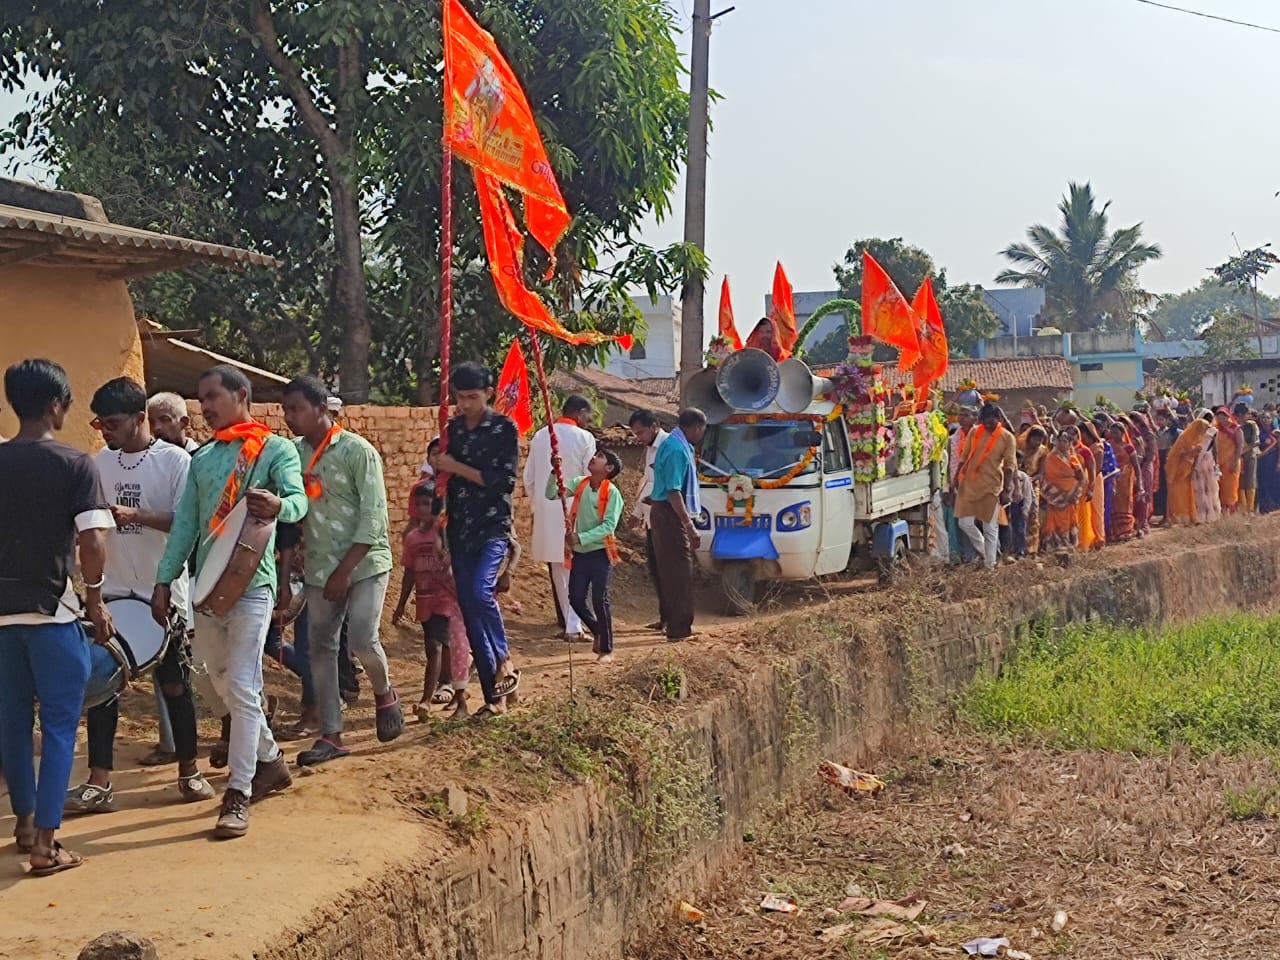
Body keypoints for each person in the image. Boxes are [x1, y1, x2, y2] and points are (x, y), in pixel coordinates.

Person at [153, 365, 305, 839]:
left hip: (253, 584)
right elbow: (185, 528)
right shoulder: (202, 461)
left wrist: (279, 507)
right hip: (206, 587)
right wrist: (164, 580)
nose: (205, 407)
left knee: (240, 683)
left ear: (241, 395)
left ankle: (238, 792)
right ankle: (272, 760)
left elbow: (300, 501)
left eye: (212, 396)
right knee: (213, 680)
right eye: (200, 399)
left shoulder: (275, 449)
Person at [65, 377, 215, 816]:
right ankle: (99, 784)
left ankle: (189, 771)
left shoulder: (175, 462)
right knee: (103, 689)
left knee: (174, 683)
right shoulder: (98, 464)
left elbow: (191, 523)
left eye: (110, 422)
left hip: (162, 590)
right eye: (98, 423)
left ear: (138, 418)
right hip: (111, 592)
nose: (104, 431)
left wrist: (135, 515)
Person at [0, 360, 114, 875]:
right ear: (55, 405)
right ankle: (47, 846)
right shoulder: (76, 464)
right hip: (52, 615)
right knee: (63, 726)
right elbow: (92, 541)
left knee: (13, 725)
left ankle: (23, 824)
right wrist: (95, 597)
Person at [280, 376, 402, 766]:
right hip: (319, 565)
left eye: (296, 409)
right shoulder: (292, 455)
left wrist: (344, 571)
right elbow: (293, 510)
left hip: (365, 562)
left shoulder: (357, 452)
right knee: (320, 649)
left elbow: (373, 519)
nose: (288, 417)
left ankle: (385, 694)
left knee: (364, 639)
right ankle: (331, 735)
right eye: (285, 410)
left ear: (320, 409)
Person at [437, 362, 521, 720]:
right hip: (459, 528)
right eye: (460, 398)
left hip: (493, 526)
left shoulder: (504, 429)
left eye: (473, 397)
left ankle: (503, 657)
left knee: (479, 591)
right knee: (470, 613)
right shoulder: (452, 428)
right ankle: (495, 697)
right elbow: (442, 475)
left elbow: (503, 481)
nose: (466, 404)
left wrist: (456, 468)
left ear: (488, 394)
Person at [394, 484, 472, 722]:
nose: (421, 509)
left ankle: (426, 699)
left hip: (446, 597)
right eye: (417, 505)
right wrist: (401, 604)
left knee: (434, 646)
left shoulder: (444, 533)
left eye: (426, 504)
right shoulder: (412, 539)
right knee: (445, 646)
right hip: (425, 599)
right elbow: (409, 573)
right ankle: (457, 692)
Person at [524, 395, 596, 642]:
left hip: (547, 510)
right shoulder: (585, 438)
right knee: (577, 568)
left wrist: (540, 507)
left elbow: (529, 479)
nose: (589, 420)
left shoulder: (541, 435)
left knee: (559, 568)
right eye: (588, 415)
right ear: (579, 412)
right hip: (574, 511)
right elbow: (592, 477)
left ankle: (571, 623)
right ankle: (574, 625)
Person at [550, 448, 625, 663]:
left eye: (600, 457)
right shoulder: (580, 483)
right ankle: (597, 630)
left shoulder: (612, 493)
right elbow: (552, 493)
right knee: (575, 598)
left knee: (599, 599)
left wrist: (581, 537)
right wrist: (554, 471)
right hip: (581, 554)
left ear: (608, 468)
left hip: (600, 553)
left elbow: (609, 526)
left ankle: (606, 649)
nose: (594, 458)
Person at [646, 408, 707, 641]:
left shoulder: (682, 446)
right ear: (697, 428)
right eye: (702, 430)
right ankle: (678, 629)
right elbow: (673, 492)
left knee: (677, 571)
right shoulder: (675, 450)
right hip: (669, 514)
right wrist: (689, 526)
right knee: (677, 573)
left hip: (667, 512)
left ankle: (679, 624)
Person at [954, 402, 1016, 570]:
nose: (988, 426)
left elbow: (1010, 464)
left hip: (992, 485)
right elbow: (964, 456)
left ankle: (990, 566)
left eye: (991, 423)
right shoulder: (975, 431)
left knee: (990, 527)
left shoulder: (1007, 437)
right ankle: (988, 554)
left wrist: (1007, 489)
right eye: (985, 423)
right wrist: (955, 477)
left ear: (998, 419)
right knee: (964, 523)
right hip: (970, 483)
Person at [627, 410, 670, 632]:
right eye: (636, 434)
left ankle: (672, 619)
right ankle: (664, 617)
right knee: (656, 569)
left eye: (641, 432)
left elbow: (669, 485)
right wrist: (638, 512)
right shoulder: (650, 448)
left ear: (655, 426)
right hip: (652, 520)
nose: (639, 438)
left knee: (668, 571)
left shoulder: (668, 446)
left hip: (666, 520)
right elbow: (647, 482)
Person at [1037, 426, 1086, 561]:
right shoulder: (1050, 458)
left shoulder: (1073, 458)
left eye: (1065, 441)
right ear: (1056, 442)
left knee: (1070, 522)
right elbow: (1046, 478)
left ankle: (1069, 547)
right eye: (1060, 441)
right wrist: (1058, 494)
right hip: (1055, 498)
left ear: (1070, 443)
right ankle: (1053, 549)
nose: (1062, 444)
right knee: (1053, 522)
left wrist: (1074, 493)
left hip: (1071, 498)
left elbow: (1081, 477)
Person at [944, 407, 978, 565]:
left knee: (979, 523)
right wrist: (951, 487)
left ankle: (986, 554)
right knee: (962, 523)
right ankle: (967, 557)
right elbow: (950, 464)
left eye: (966, 415)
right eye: (960, 415)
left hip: (979, 486)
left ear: (975, 418)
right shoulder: (953, 439)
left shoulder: (981, 437)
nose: (962, 418)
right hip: (959, 486)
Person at [1165, 417, 1208, 526]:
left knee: (1187, 493)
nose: (1204, 431)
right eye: (1203, 429)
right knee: (1177, 494)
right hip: (1177, 470)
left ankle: (1188, 517)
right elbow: (1178, 454)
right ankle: (1176, 518)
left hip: (1187, 470)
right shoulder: (1184, 438)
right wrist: (1192, 451)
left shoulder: (1198, 438)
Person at [1105, 421, 1142, 542]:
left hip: (1125, 481)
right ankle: (1113, 531)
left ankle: (1125, 530)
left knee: (1125, 505)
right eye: (1112, 433)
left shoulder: (1129, 447)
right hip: (1112, 479)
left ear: (1122, 433)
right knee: (1112, 505)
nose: (1114, 435)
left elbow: (1137, 467)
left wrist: (1140, 485)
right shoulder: (1108, 445)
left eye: (1117, 433)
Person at [1019, 426, 1047, 555]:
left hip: (1032, 485)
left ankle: (1032, 548)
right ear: (1029, 438)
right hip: (1017, 484)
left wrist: (1030, 479)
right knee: (1017, 515)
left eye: (1040, 440)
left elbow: (1041, 473)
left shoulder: (1043, 451)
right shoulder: (1020, 447)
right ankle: (1018, 546)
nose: (1037, 443)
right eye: (1035, 440)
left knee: (1033, 515)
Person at [1153, 407, 1181, 522]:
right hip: (1158, 459)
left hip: (1167, 458)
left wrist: (1169, 410)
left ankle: (1169, 515)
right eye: (1158, 419)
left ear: (1166, 420)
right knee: (1160, 488)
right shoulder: (1156, 432)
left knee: (1167, 487)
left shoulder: (1171, 432)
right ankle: (1162, 513)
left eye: (1161, 419)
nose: (1159, 422)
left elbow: (1176, 422)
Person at [1215, 407, 1243, 515]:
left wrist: (1235, 462)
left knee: (1230, 489)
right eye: (1219, 418)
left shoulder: (1236, 429)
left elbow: (1240, 446)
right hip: (1219, 464)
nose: (1221, 421)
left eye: (1223, 418)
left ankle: (1232, 513)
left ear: (1228, 417)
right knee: (1220, 489)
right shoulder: (1216, 429)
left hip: (1231, 463)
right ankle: (1222, 512)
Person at [1008, 452, 1033, 559]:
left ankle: (1020, 551)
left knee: (1020, 529)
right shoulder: (1005, 475)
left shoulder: (1023, 477)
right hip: (1007, 505)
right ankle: (1008, 550)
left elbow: (1028, 495)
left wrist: (1025, 510)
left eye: (1017, 462)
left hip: (1019, 505)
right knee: (1008, 529)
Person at [1236, 402, 1259, 515]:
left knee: (1250, 482)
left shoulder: (1251, 425)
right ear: (1240, 414)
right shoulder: (1234, 426)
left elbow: (1254, 443)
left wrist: (1241, 452)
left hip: (1249, 457)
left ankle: (1250, 509)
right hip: (1237, 458)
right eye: (1247, 413)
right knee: (1240, 483)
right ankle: (1242, 508)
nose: (1249, 415)